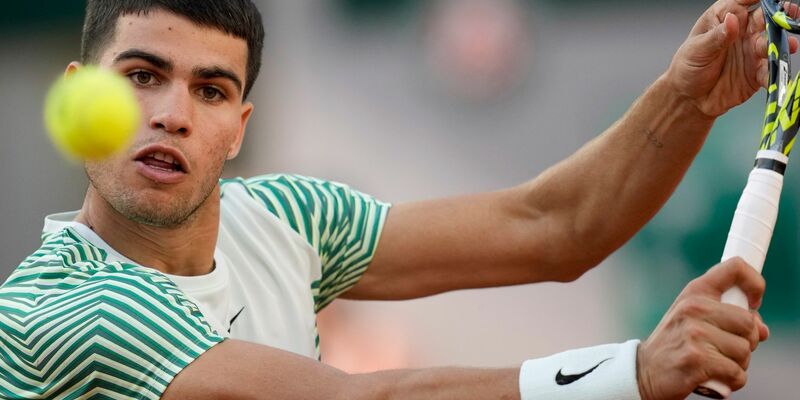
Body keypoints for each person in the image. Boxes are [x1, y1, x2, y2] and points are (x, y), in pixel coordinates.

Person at [0, 0, 787, 399]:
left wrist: (690, 98)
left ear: (239, 128)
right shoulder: (65, 310)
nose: (172, 112)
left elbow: (555, 226)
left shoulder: (287, 220)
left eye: (210, 90)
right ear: (82, 96)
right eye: (141, 76)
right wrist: (634, 373)